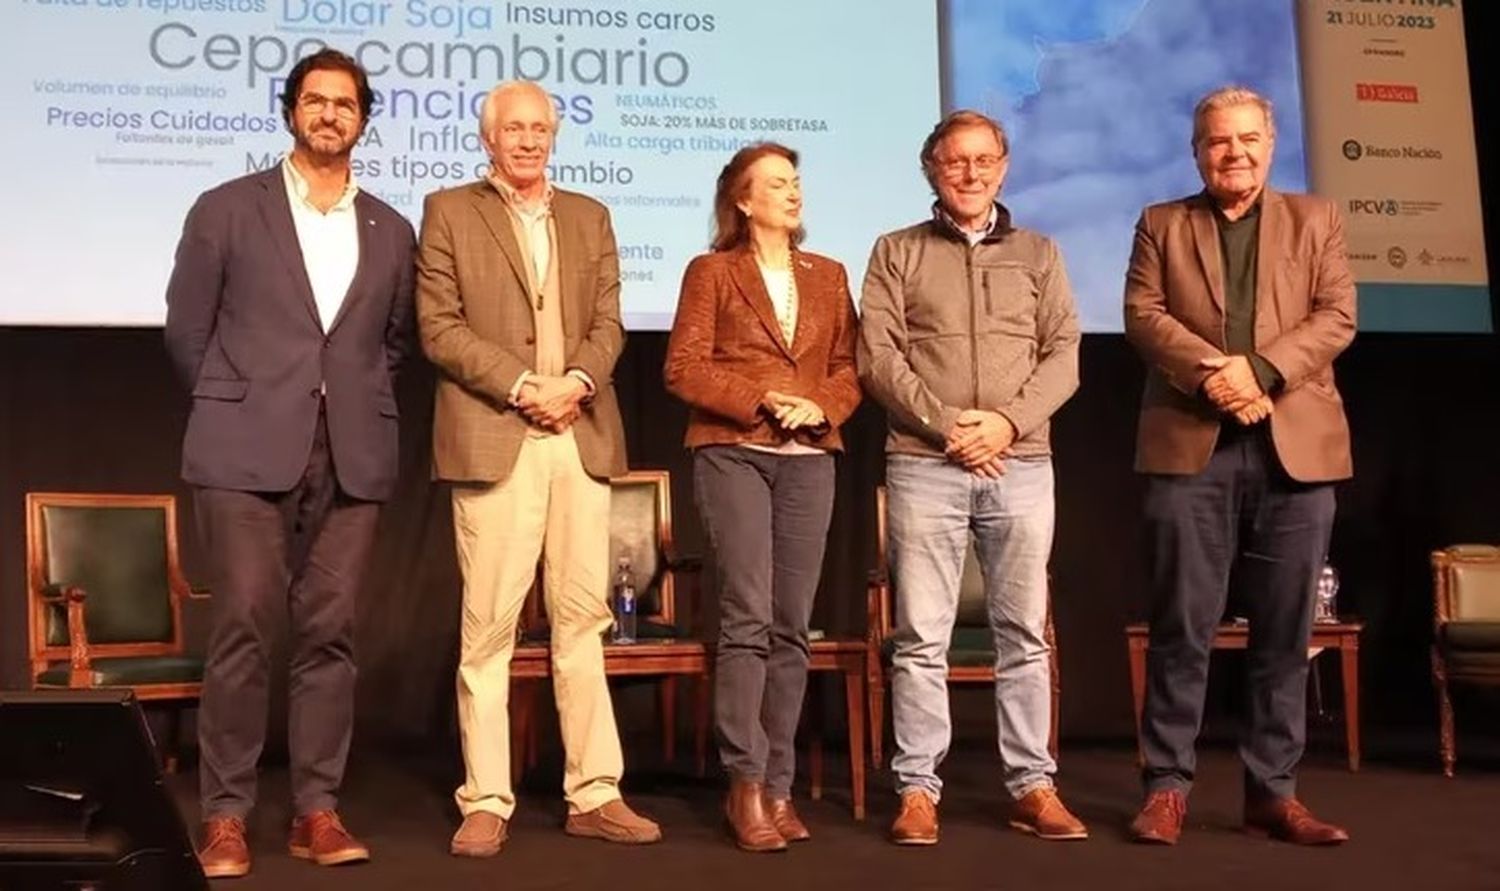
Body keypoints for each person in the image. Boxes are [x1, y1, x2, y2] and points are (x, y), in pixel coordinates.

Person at [163, 48, 415, 879]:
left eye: (345, 104)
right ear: (291, 112)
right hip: (242, 448)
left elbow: (391, 344)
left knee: (330, 634)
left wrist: (338, 403)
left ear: (363, 120)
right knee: (241, 624)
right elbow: (187, 330)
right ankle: (227, 816)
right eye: (316, 101)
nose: (330, 115)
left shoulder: (390, 226)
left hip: (350, 452)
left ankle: (317, 809)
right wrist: (239, 401)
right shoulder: (228, 208)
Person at [415, 79, 660, 857]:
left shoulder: (590, 215)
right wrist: (524, 387)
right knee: (487, 629)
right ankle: (486, 797)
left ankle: (595, 791)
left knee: (582, 622)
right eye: (511, 128)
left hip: (579, 432)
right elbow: (438, 327)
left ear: (554, 134)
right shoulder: (450, 210)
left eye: (538, 128)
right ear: (487, 139)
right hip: (498, 432)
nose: (526, 140)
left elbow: (609, 321)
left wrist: (578, 383)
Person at [1123, 85, 1355, 846]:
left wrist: (1260, 371)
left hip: (1297, 449)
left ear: (1271, 142)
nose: (1236, 152)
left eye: (1249, 139)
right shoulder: (1162, 222)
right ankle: (1166, 787)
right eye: (1220, 141)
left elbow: (1336, 316)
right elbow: (1145, 314)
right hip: (1190, 444)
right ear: (1197, 151)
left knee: (1284, 633)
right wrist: (1214, 375)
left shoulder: (1316, 219)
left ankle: (1272, 791)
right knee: (1181, 627)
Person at [858, 110, 1085, 845]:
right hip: (926, 462)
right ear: (932, 169)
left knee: (1024, 633)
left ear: (1004, 166)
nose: (970, 172)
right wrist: (949, 424)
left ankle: (1033, 785)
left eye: (984, 160)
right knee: (921, 635)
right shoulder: (895, 251)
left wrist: (1006, 425)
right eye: (955, 161)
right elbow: (879, 357)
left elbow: (1064, 355)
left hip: (1022, 463)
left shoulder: (1041, 253)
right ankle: (918, 789)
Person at [663, 143, 862, 852]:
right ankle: (743, 783)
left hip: (811, 460)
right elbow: (683, 367)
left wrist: (821, 408)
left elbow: (849, 368)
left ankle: (779, 785)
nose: (792, 191)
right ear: (742, 200)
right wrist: (762, 400)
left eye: (796, 181)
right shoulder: (712, 271)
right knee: (747, 616)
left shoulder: (830, 275)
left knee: (791, 626)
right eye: (776, 182)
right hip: (733, 452)